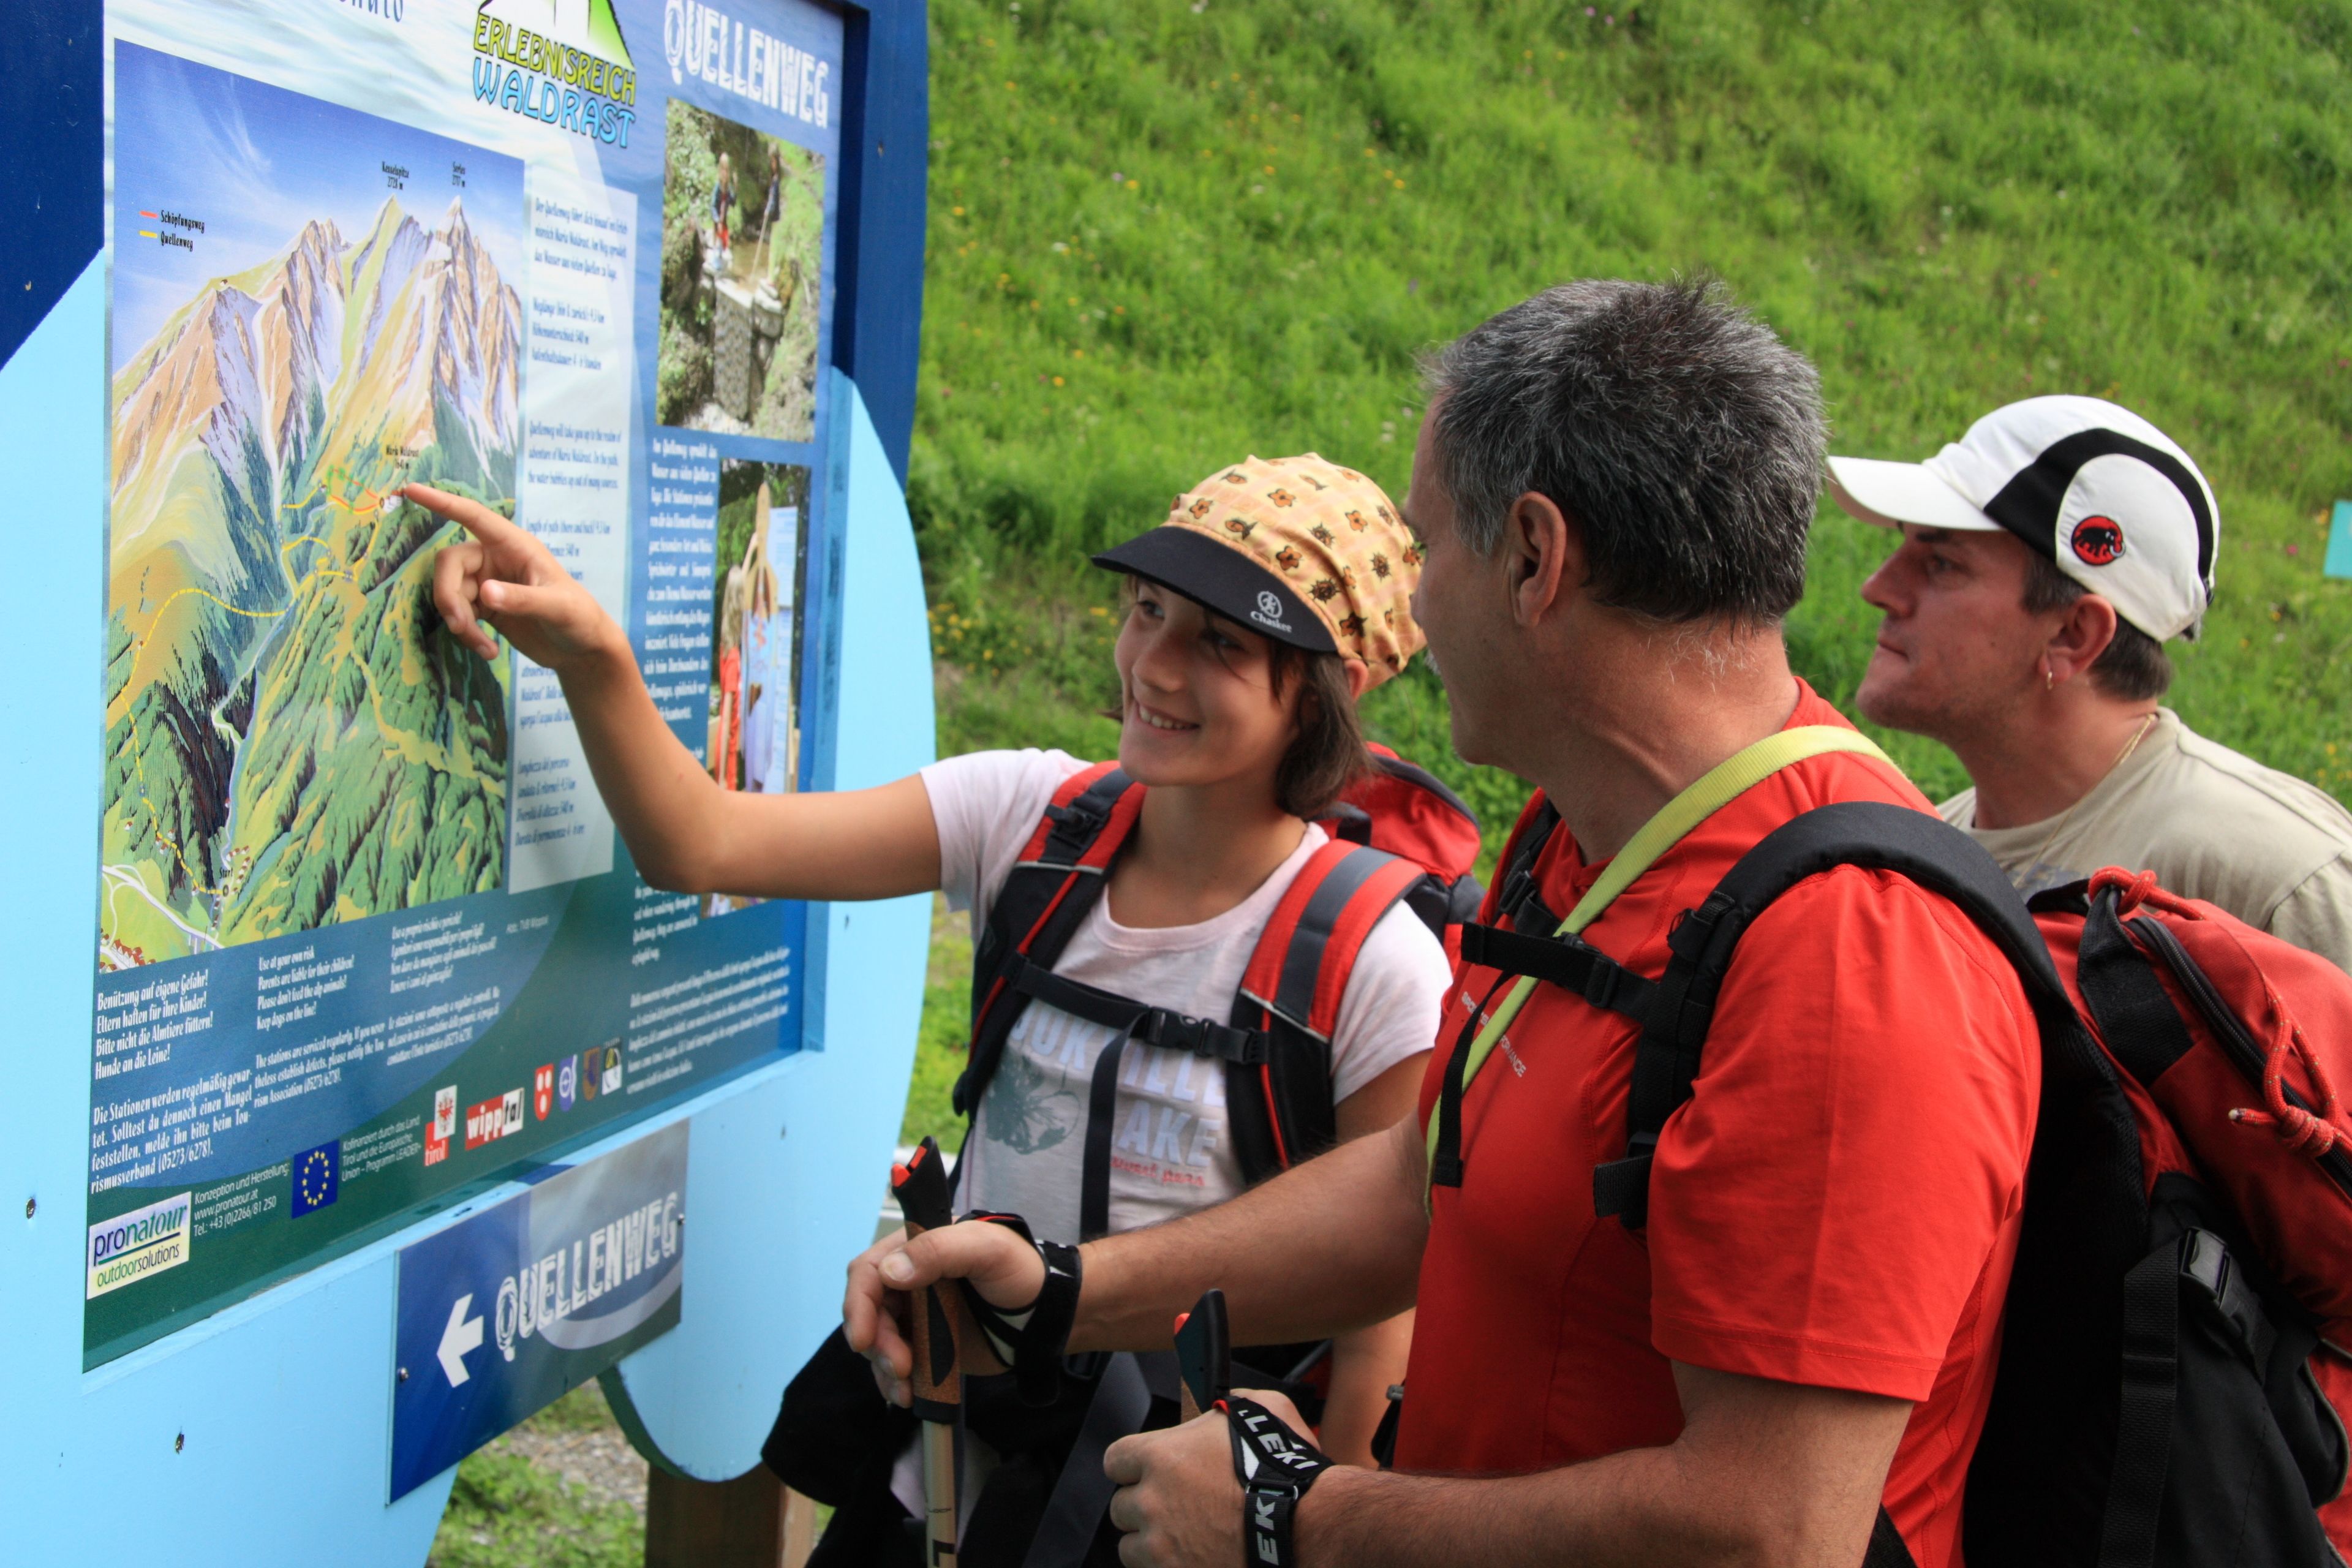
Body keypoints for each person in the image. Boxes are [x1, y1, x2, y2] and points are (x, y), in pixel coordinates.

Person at [844, 281, 2043, 1568]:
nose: (1408, 612)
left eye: (1426, 549)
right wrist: (1064, 1290)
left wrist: (1294, 1514)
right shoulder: (1582, 836)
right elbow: (1433, 1178)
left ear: (1534, 556)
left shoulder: (1849, 954)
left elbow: (1771, 1527)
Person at [402, 452, 1451, 1560]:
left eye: (1222, 643)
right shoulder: (1026, 819)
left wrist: (1320, 1515)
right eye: (1148, 610)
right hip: (942, 1473)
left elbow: (1382, 1274)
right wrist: (593, 653)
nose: (1155, 663)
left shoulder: (1371, 959)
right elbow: (701, 839)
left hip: (1169, 1518)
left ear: (1331, 689)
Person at [1835, 394, 2352, 971]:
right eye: (1900, 547)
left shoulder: (2280, 878)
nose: (1878, 587)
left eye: (1942, 565)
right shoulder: (1924, 850)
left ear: (2074, 635)